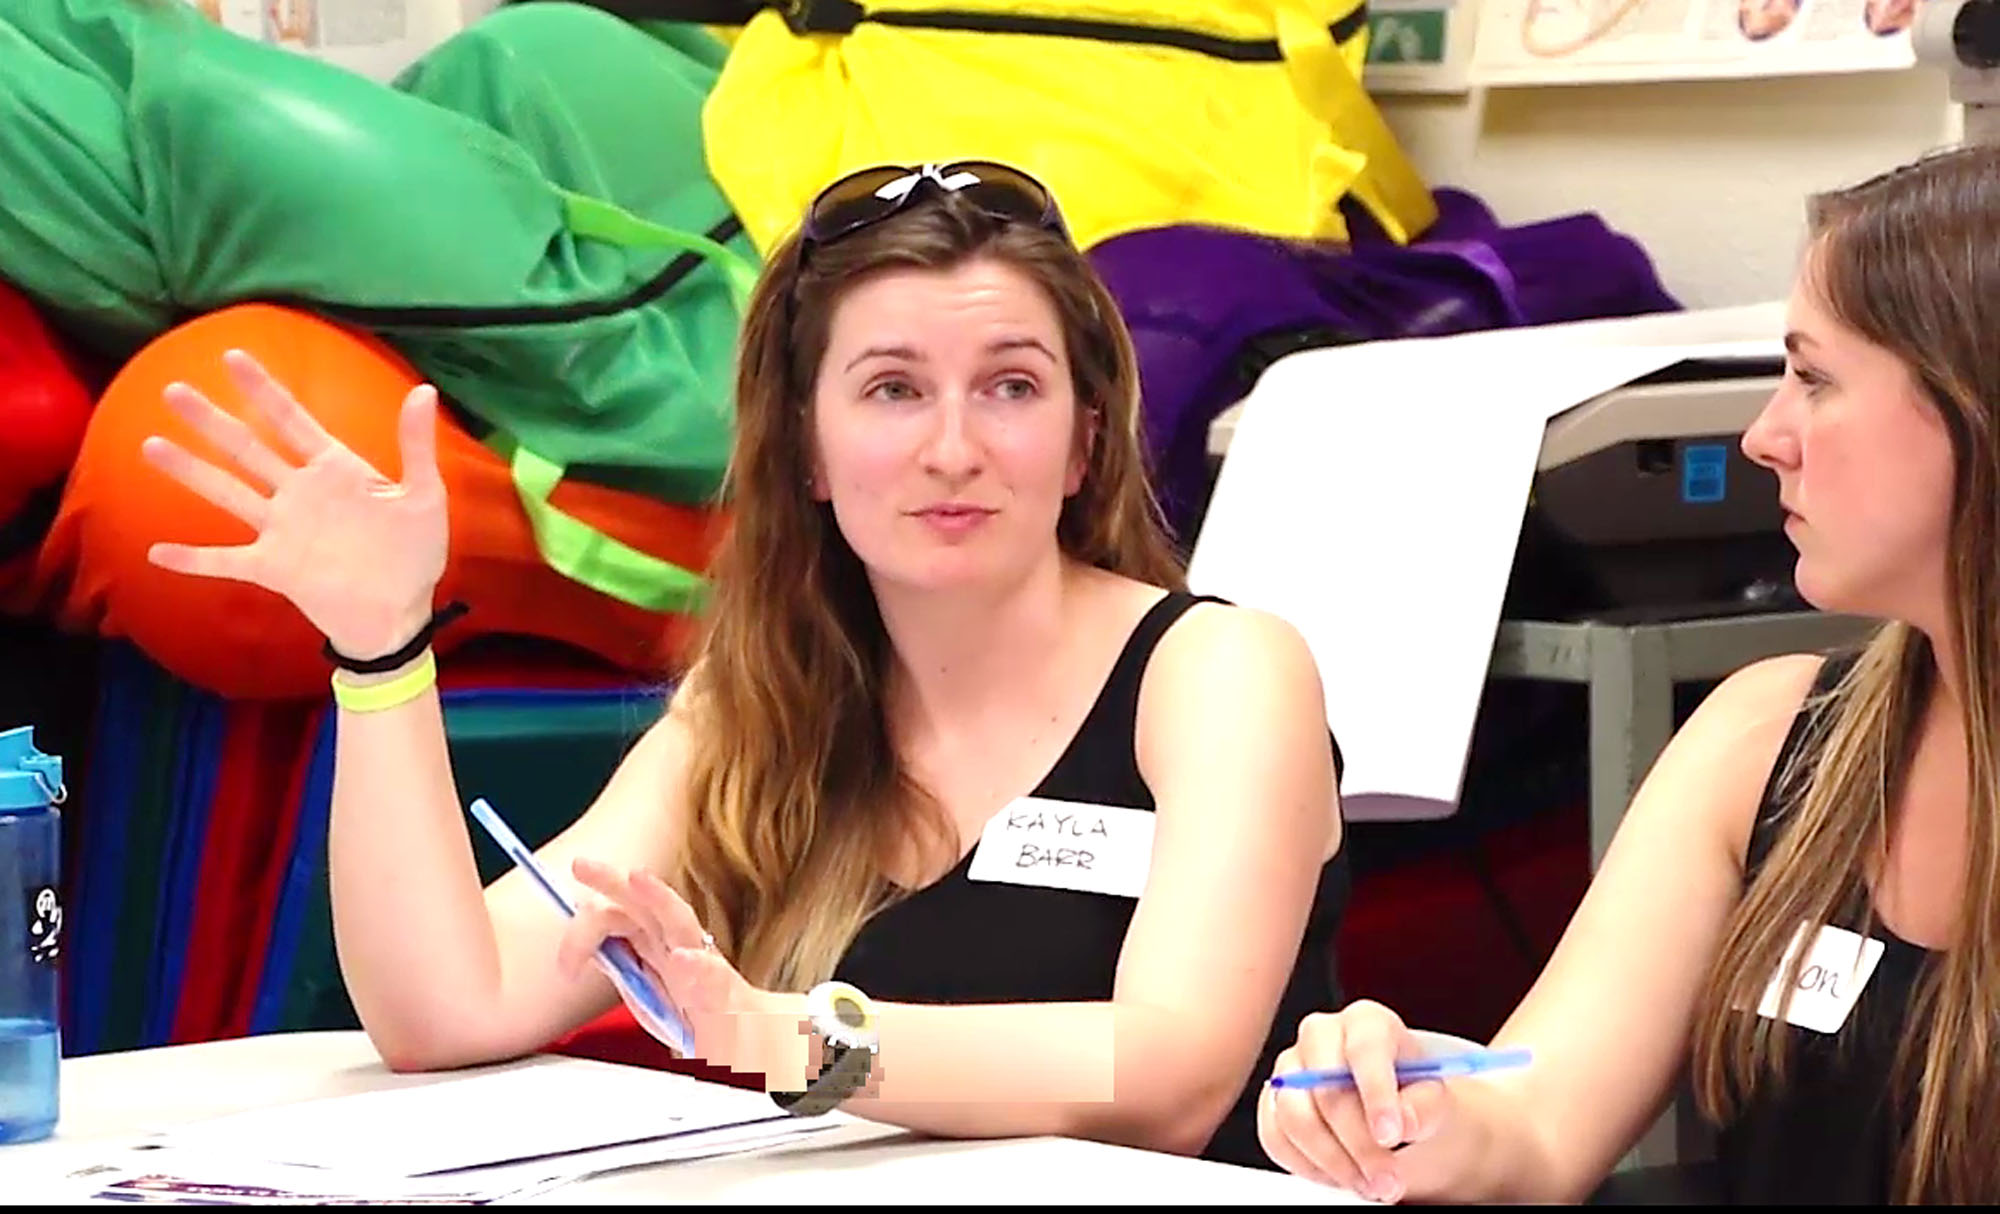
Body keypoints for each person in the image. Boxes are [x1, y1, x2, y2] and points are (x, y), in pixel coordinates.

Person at [139, 160, 1349, 1170]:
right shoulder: (759, 702)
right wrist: (380, 647)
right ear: (808, 451)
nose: (950, 446)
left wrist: (794, 1039)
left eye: (1010, 387)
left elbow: (1169, 1073)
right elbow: (448, 1007)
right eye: (890, 389)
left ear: (1084, 441)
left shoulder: (1221, 674)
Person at [1258, 144, 2000, 1205]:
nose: (1762, 435)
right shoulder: (1765, 738)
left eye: (1813, 378)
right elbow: (1533, 1118)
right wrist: (1405, 1105)